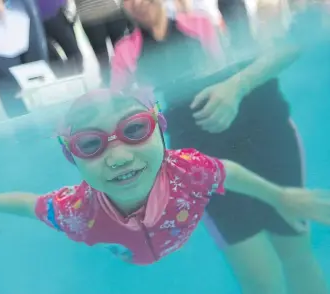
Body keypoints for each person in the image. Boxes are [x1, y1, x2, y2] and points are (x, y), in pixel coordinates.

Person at [0, 89, 330, 268]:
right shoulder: (75, 211)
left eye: (135, 129)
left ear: (161, 131)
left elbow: (226, 171)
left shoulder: (188, 171)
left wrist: (280, 196)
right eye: (90, 144)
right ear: (72, 157)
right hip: (127, 257)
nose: (119, 157)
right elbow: (26, 204)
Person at [109, 0, 329, 293]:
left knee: (296, 256)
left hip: (263, 133)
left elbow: (279, 45)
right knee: (258, 280)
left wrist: (236, 86)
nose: (137, 2)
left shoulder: (202, 22)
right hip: (201, 150)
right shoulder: (125, 51)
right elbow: (121, 111)